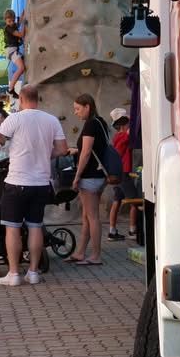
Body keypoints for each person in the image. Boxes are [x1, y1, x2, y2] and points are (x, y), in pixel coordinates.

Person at [0, 84, 68, 286]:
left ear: (21, 99)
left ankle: (13, 273)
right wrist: (44, 154)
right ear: (37, 99)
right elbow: (62, 149)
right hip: (41, 183)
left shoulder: (14, 119)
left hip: (16, 182)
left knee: (12, 229)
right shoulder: (51, 120)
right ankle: (33, 272)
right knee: (35, 227)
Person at [67, 94, 109, 266]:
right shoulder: (100, 122)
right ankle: (81, 252)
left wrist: (76, 177)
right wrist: (75, 151)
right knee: (87, 216)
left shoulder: (90, 124)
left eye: (78, 108)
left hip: (90, 176)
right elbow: (93, 150)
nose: (76, 112)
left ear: (87, 107)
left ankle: (96, 255)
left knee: (92, 217)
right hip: (99, 176)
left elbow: (86, 152)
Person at [106, 108, 137, 240]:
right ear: (124, 123)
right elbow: (130, 134)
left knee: (117, 201)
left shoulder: (117, 137)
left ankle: (112, 231)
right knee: (136, 201)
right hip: (124, 173)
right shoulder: (123, 136)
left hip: (119, 173)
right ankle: (133, 230)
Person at [4, 9, 26, 97]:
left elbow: (18, 23)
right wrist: (25, 23)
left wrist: (22, 16)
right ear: (5, 20)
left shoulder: (12, 26)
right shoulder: (8, 28)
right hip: (11, 51)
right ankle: (10, 88)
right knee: (21, 68)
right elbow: (21, 35)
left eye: (13, 20)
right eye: (9, 21)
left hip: (13, 50)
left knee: (23, 68)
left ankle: (11, 89)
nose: (12, 23)